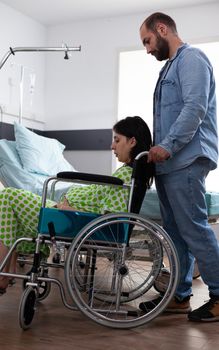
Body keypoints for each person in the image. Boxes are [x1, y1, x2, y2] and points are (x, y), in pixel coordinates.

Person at [0, 116, 153, 295]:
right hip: (69, 216)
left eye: (117, 140)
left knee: (9, 196)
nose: (112, 146)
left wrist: (72, 210)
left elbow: (109, 217)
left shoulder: (126, 176)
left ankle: (3, 274)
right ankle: (6, 271)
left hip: (72, 221)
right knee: (11, 203)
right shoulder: (129, 173)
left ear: (132, 141)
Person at [138, 12, 219, 322]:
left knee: (194, 228)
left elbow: (195, 107)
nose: (147, 49)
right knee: (174, 233)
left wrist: (167, 146)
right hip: (170, 165)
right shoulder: (169, 68)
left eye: (147, 40)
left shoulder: (192, 59)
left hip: (185, 159)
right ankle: (179, 295)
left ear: (162, 29)